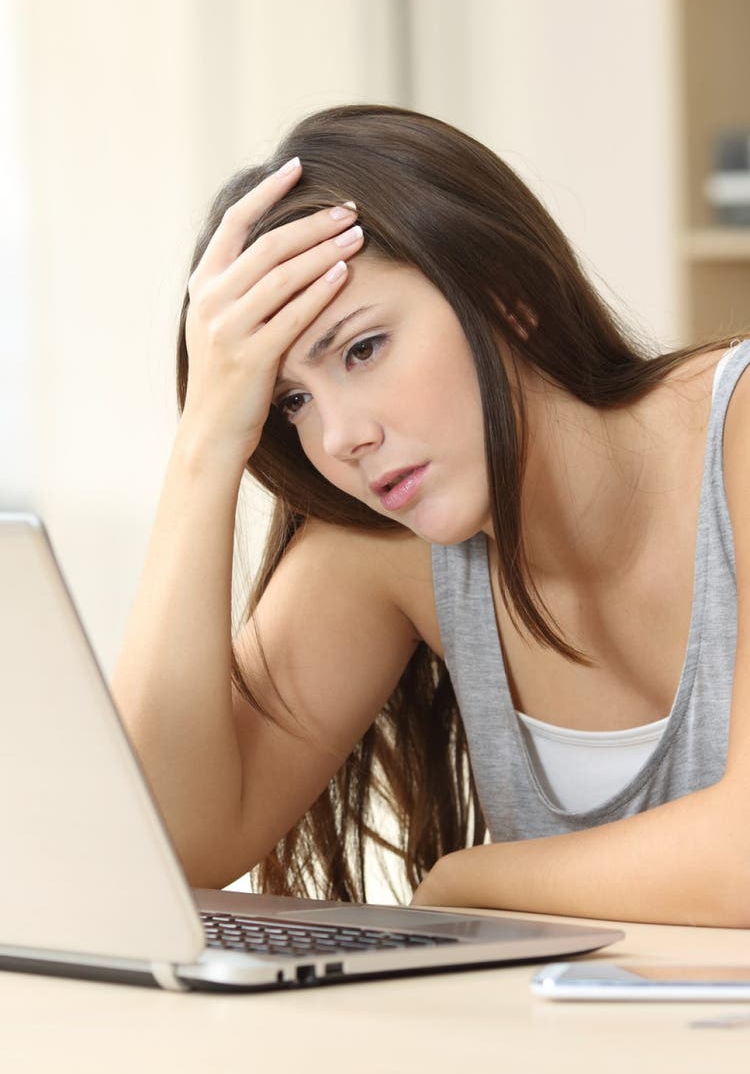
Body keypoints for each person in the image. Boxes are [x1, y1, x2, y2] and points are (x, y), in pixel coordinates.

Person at [111, 104, 750, 926]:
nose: (340, 438)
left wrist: (468, 883)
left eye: (362, 349)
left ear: (505, 293)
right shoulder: (395, 546)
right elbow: (166, 846)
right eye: (292, 401)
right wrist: (204, 444)